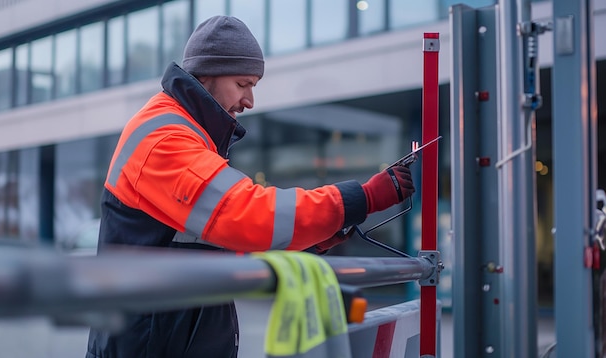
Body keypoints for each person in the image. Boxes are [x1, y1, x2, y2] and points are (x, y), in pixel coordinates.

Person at [86, 15, 414, 358]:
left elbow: (226, 247)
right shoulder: (165, 138)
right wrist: (360, 198)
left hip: (164, 339)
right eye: (244, 83)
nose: (250, 100)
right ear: (207, 74)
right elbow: (247, 214)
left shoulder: (189, 135)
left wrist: (310, 242)